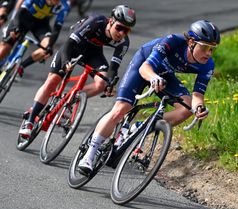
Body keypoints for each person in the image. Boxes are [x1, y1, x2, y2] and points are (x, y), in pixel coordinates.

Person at [78, 19, 221, 173]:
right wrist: (153, 77)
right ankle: (90, 154)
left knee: (186, 108)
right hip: (144, 65)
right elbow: (145, 68)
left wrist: (199, 107)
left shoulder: (208, 65)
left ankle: (143, 126)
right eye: (205, 47)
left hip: (165, 74)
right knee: (121, 108)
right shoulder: (173, 41)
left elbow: (198, 94)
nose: (208, 53)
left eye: (212, 49)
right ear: (191, 42)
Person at [19, 5, 136, 138]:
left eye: (126, 31)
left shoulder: (123, 42)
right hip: (73, 47)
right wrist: (65, 62)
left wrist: (110, 83)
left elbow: (113, 68)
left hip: (93, 53)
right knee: (53, 79)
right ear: (111, 21)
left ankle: (69, 99)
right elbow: (68, 45)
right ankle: (29, 120)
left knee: (101, 84)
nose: (121, 33)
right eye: (119, 28)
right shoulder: (96, 21)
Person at [0, 0, 70, 77]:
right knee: (5, 49)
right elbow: (20, 12)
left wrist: (50, 46)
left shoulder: (63, 6)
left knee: (46, 49)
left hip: (40, 24)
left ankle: (21, 66)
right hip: (23, 18)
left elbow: (57, 29)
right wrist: (16, 27)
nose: (57, 2)